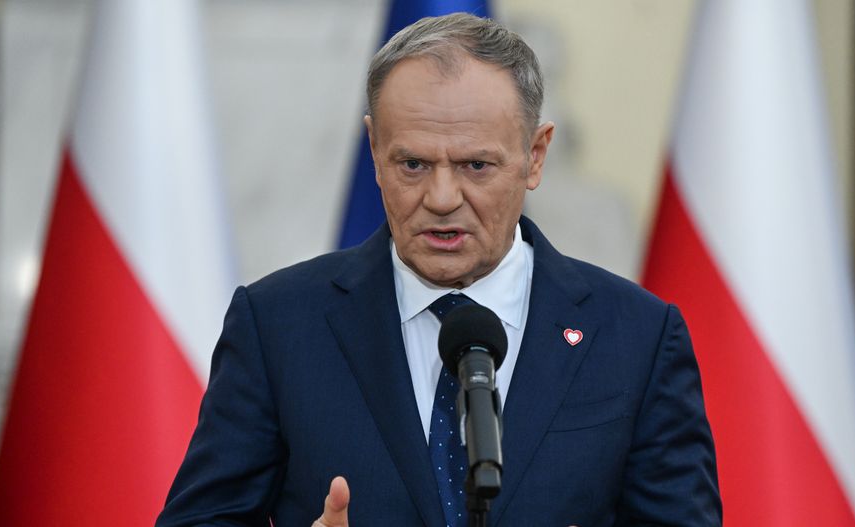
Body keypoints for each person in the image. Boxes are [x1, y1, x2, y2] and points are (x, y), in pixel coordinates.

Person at [157, 13, 721, 527]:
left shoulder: (637, 338)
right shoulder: (277, 324)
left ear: (535, 156)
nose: (442, 197)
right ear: (374, 150)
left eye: (475, 165)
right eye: (413, 163)